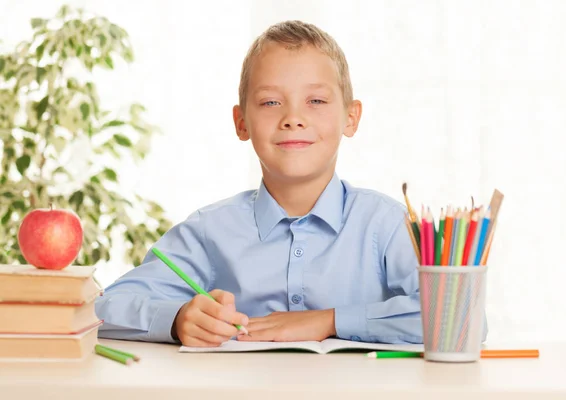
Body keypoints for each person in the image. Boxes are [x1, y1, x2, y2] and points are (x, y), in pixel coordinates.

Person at [95, 20, 423, 347]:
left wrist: (327, 321)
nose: (293, 118)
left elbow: (456, 318)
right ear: (241, 123)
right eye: (270, 102)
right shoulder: (209, 230)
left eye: (316, 101)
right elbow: (103, 308)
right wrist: (177, 319)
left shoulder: (388, 225)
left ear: (351, 118)